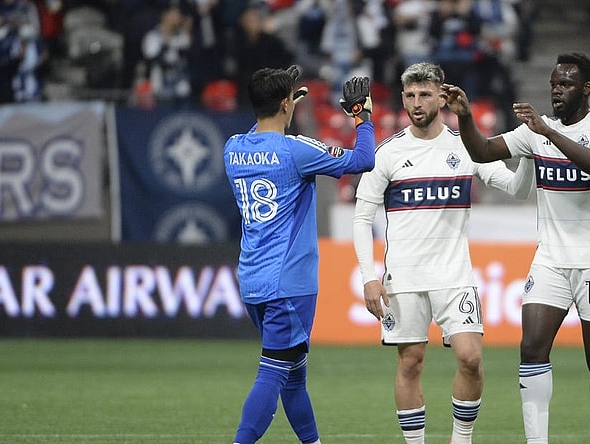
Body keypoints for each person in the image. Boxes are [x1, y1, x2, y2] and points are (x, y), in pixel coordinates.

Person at [443, 52, 590, 444]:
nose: (557, 90)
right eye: (553, 84)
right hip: (551, 259)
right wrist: (465, 117)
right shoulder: (534, 131)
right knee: (531, 348)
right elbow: (483, 152)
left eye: (566, 84)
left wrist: (548, 133)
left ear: (586, 88)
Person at [352, 62, 534, 444]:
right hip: (404, 277)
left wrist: (530, 152)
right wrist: (368, 275)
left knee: (471, 359)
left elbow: (517, 189)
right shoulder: (388, 153)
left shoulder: (464, 147)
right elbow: (361, 216)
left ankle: (461, 439)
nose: (416, 103)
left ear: (442, 96)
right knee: (410, 362)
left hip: (454, 276)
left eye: (424, 95)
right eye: (410, 96)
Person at [224, 65, 375, 444]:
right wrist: (362, 115)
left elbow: (269, 141)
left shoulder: (233, 149)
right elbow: (362, 160)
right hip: (290, 283)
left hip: (253, 280)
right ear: (286, 103)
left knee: (293, 374)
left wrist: (285, 105)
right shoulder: (297, 150)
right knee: (273, 373)